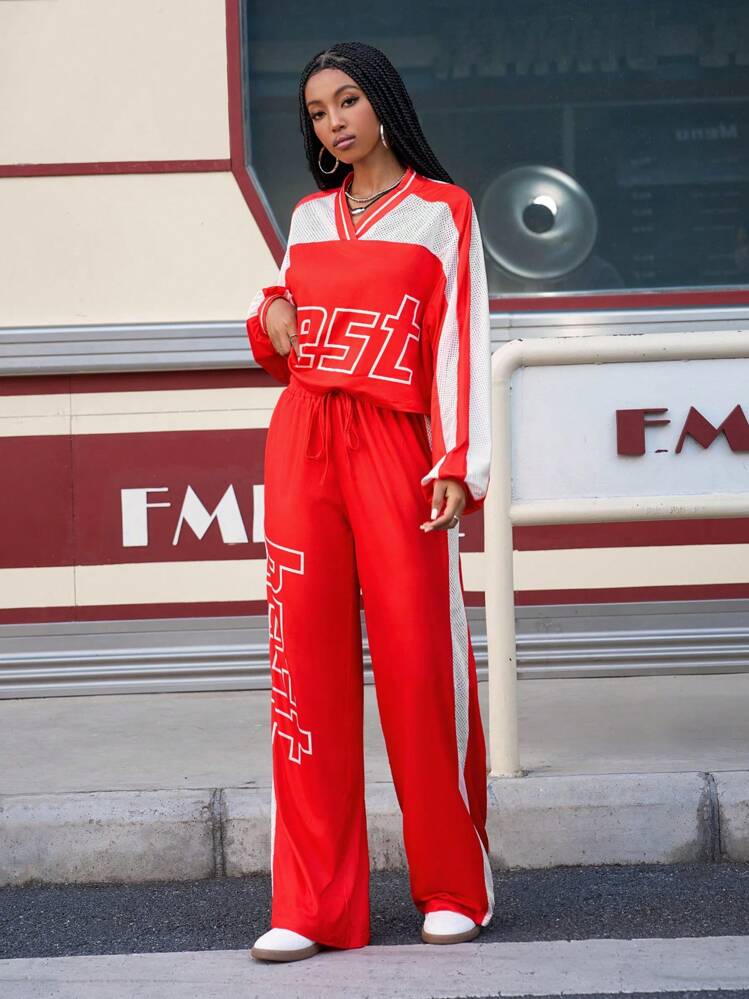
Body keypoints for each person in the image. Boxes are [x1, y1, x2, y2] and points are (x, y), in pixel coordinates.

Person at [245, 40, 494, 963]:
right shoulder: (308, 216)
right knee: (302, 674)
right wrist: (268, 315)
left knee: (417, 663)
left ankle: (453, 884)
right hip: (303, 441)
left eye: (347, 101)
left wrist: (456, 460)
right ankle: (312, 904)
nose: (333, 123)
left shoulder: (443, 212)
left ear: (382, 102)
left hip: (397, 450)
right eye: (317, 112)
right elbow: (282, 321)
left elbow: (460, 337)